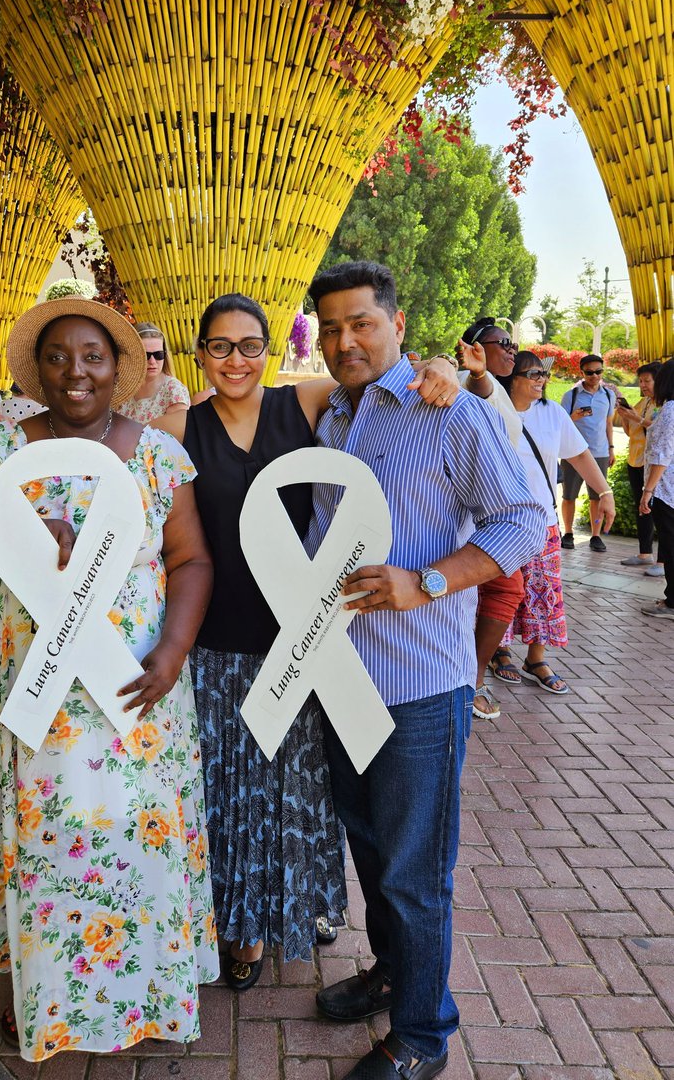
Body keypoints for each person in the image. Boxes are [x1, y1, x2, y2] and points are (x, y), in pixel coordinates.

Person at [0, 298, 218, 1062]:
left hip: (135, 689)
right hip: (38, 693)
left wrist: (175, 649)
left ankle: (148, 989)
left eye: (92, 356)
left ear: (119, 369)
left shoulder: (156, 455)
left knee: (134, 834)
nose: (75, 372)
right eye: (57, 357)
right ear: (37, 371)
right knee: (51, 841)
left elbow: (190, 560)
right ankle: (48, 992)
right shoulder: (3, 452)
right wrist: (8, 531)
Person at [154, 293, 459, 988]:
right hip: (214, 647)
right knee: (225, 795)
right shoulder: (174, 429)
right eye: (221, 346)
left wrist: (440, 365)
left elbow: (390, 376)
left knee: (289, 795)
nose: (237, 360)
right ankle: (234, 926)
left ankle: (279, 919)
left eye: (250, 345)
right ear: (199, 353)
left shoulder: (306, 404)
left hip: (302, 645)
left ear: (273, 350)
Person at [306, 262, 544, 1080]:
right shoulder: (330, 417)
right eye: (331, 327)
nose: (346, 341)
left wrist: (430, 581)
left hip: (419, 687)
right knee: (371, 852)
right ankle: (394, 974)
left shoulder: (452, 416)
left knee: (415, 871)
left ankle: (422, 1038)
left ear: (398, 326)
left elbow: (524, 522)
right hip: (339, 678)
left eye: (362, 323)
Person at [494, 351, 615, 693]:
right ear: (510, 378)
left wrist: (604, 492)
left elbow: (578, 454)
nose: (540, 380)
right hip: (498, 522)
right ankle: (499, 651)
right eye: (532, 374)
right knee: (502, 591)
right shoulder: (492, 411)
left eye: (542, 374)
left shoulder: (553, 414)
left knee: (543, 592)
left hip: (542, 520)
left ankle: (536, 657)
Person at [455, 317, 525, 720]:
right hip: (477, 510)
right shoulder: (467, 378)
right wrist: (478, 372)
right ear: (474, 347)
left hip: (495, 509)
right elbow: (475, 392)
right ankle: (472, 679)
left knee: (497, 590)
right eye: (503, 343)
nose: (510, 350)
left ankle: (471, 676)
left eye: (513, 344)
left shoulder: (499, 385)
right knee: (502, 588)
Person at [559, 354, 616, 552]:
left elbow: (609, 424)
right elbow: (560, 424)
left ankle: (596, 535)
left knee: (597, 497)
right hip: (573, 452)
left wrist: (611, 448)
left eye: (598, 372)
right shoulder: (571, 395)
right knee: (569, 495)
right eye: (590, 372)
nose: (594, 376)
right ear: (581, 372)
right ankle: (568, 532)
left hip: (599, 452)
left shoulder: (608, 395)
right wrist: (574, 417)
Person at [616, 361, 663, 575]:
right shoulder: (643, 402)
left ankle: (663, 563)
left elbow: (660, 431)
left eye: (647, 381)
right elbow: (631, 431)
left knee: (661, 513)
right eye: (641, 381)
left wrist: (637, 418)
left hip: (654, 465)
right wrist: (626, 416)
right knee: (642, 508)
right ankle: (645, 553)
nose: (643, 385)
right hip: (636, 461)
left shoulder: (664, 405)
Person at [640, 358, 674, 619]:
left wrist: (648, 491)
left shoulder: (671, 410)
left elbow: (662, 454)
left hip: (666, 489)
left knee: (670, 544)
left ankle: (672, 601)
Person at [116, 322, 190, 421]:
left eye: (158, 354)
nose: (152, 361)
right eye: (146, 355)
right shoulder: (122, 389)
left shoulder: (173, 391)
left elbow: (178, 434)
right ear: (133, 355)